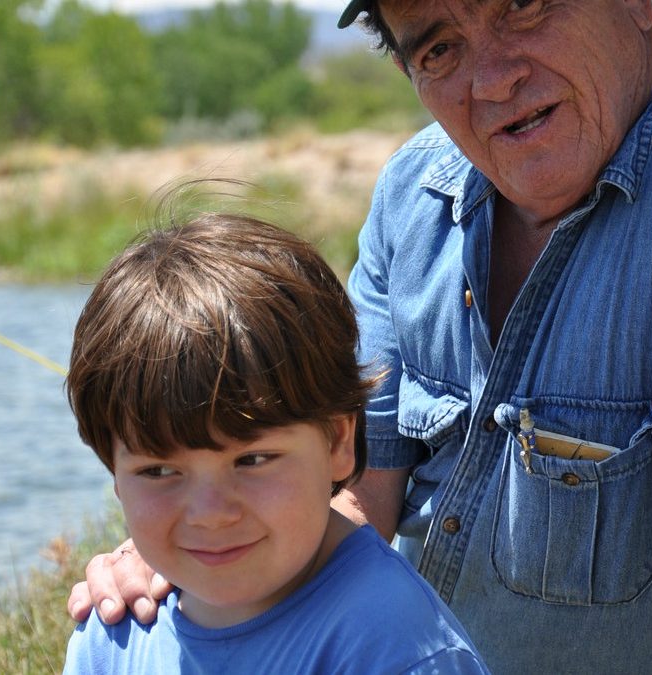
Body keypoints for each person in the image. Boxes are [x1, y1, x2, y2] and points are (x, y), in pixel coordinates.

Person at [69, 2, 652, 672]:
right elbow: (352, 490)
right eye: (442, 47)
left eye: (523, 8)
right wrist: (188, 559)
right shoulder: (412, 193)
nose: (492, 80)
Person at [61, 211, 490, 674]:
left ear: (337, 443)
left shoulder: (395, 649)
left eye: (252, 459)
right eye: (159, 470)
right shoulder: (109, 638)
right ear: (115, 474)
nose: (210, 513)